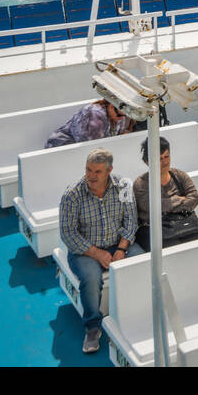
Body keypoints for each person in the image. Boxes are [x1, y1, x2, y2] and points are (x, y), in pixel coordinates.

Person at [58, 148, 143, 354]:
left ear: (109, 170)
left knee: (141, 262)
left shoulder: (123, 185)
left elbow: (131, 220)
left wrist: (122, 249)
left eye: (97, 172)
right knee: (91, 278)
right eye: (88, 170)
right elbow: (68, 233)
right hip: (85, 250)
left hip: (118, 244)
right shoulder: (72, 195)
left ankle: (137, 312)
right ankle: (92, 327)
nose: (91, 176)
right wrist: (97, 253)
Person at [132, 136, 198, 253]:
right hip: (155, 229)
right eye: (159, 158)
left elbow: (194, 199)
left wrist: (166, 205)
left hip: (182, 223)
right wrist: (179, 200)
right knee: (173, 251)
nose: (164, 162)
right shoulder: (141, 184)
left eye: (167, 156)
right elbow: (151, 207)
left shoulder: (179, 175)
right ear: (147, 162)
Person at [45, 98, 137, 148]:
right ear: (111, 105)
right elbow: (91, 148)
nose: (121, 119)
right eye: (119, 115)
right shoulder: (95, 115)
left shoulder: (122, 115)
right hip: (63, 148)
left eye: (125, 116)